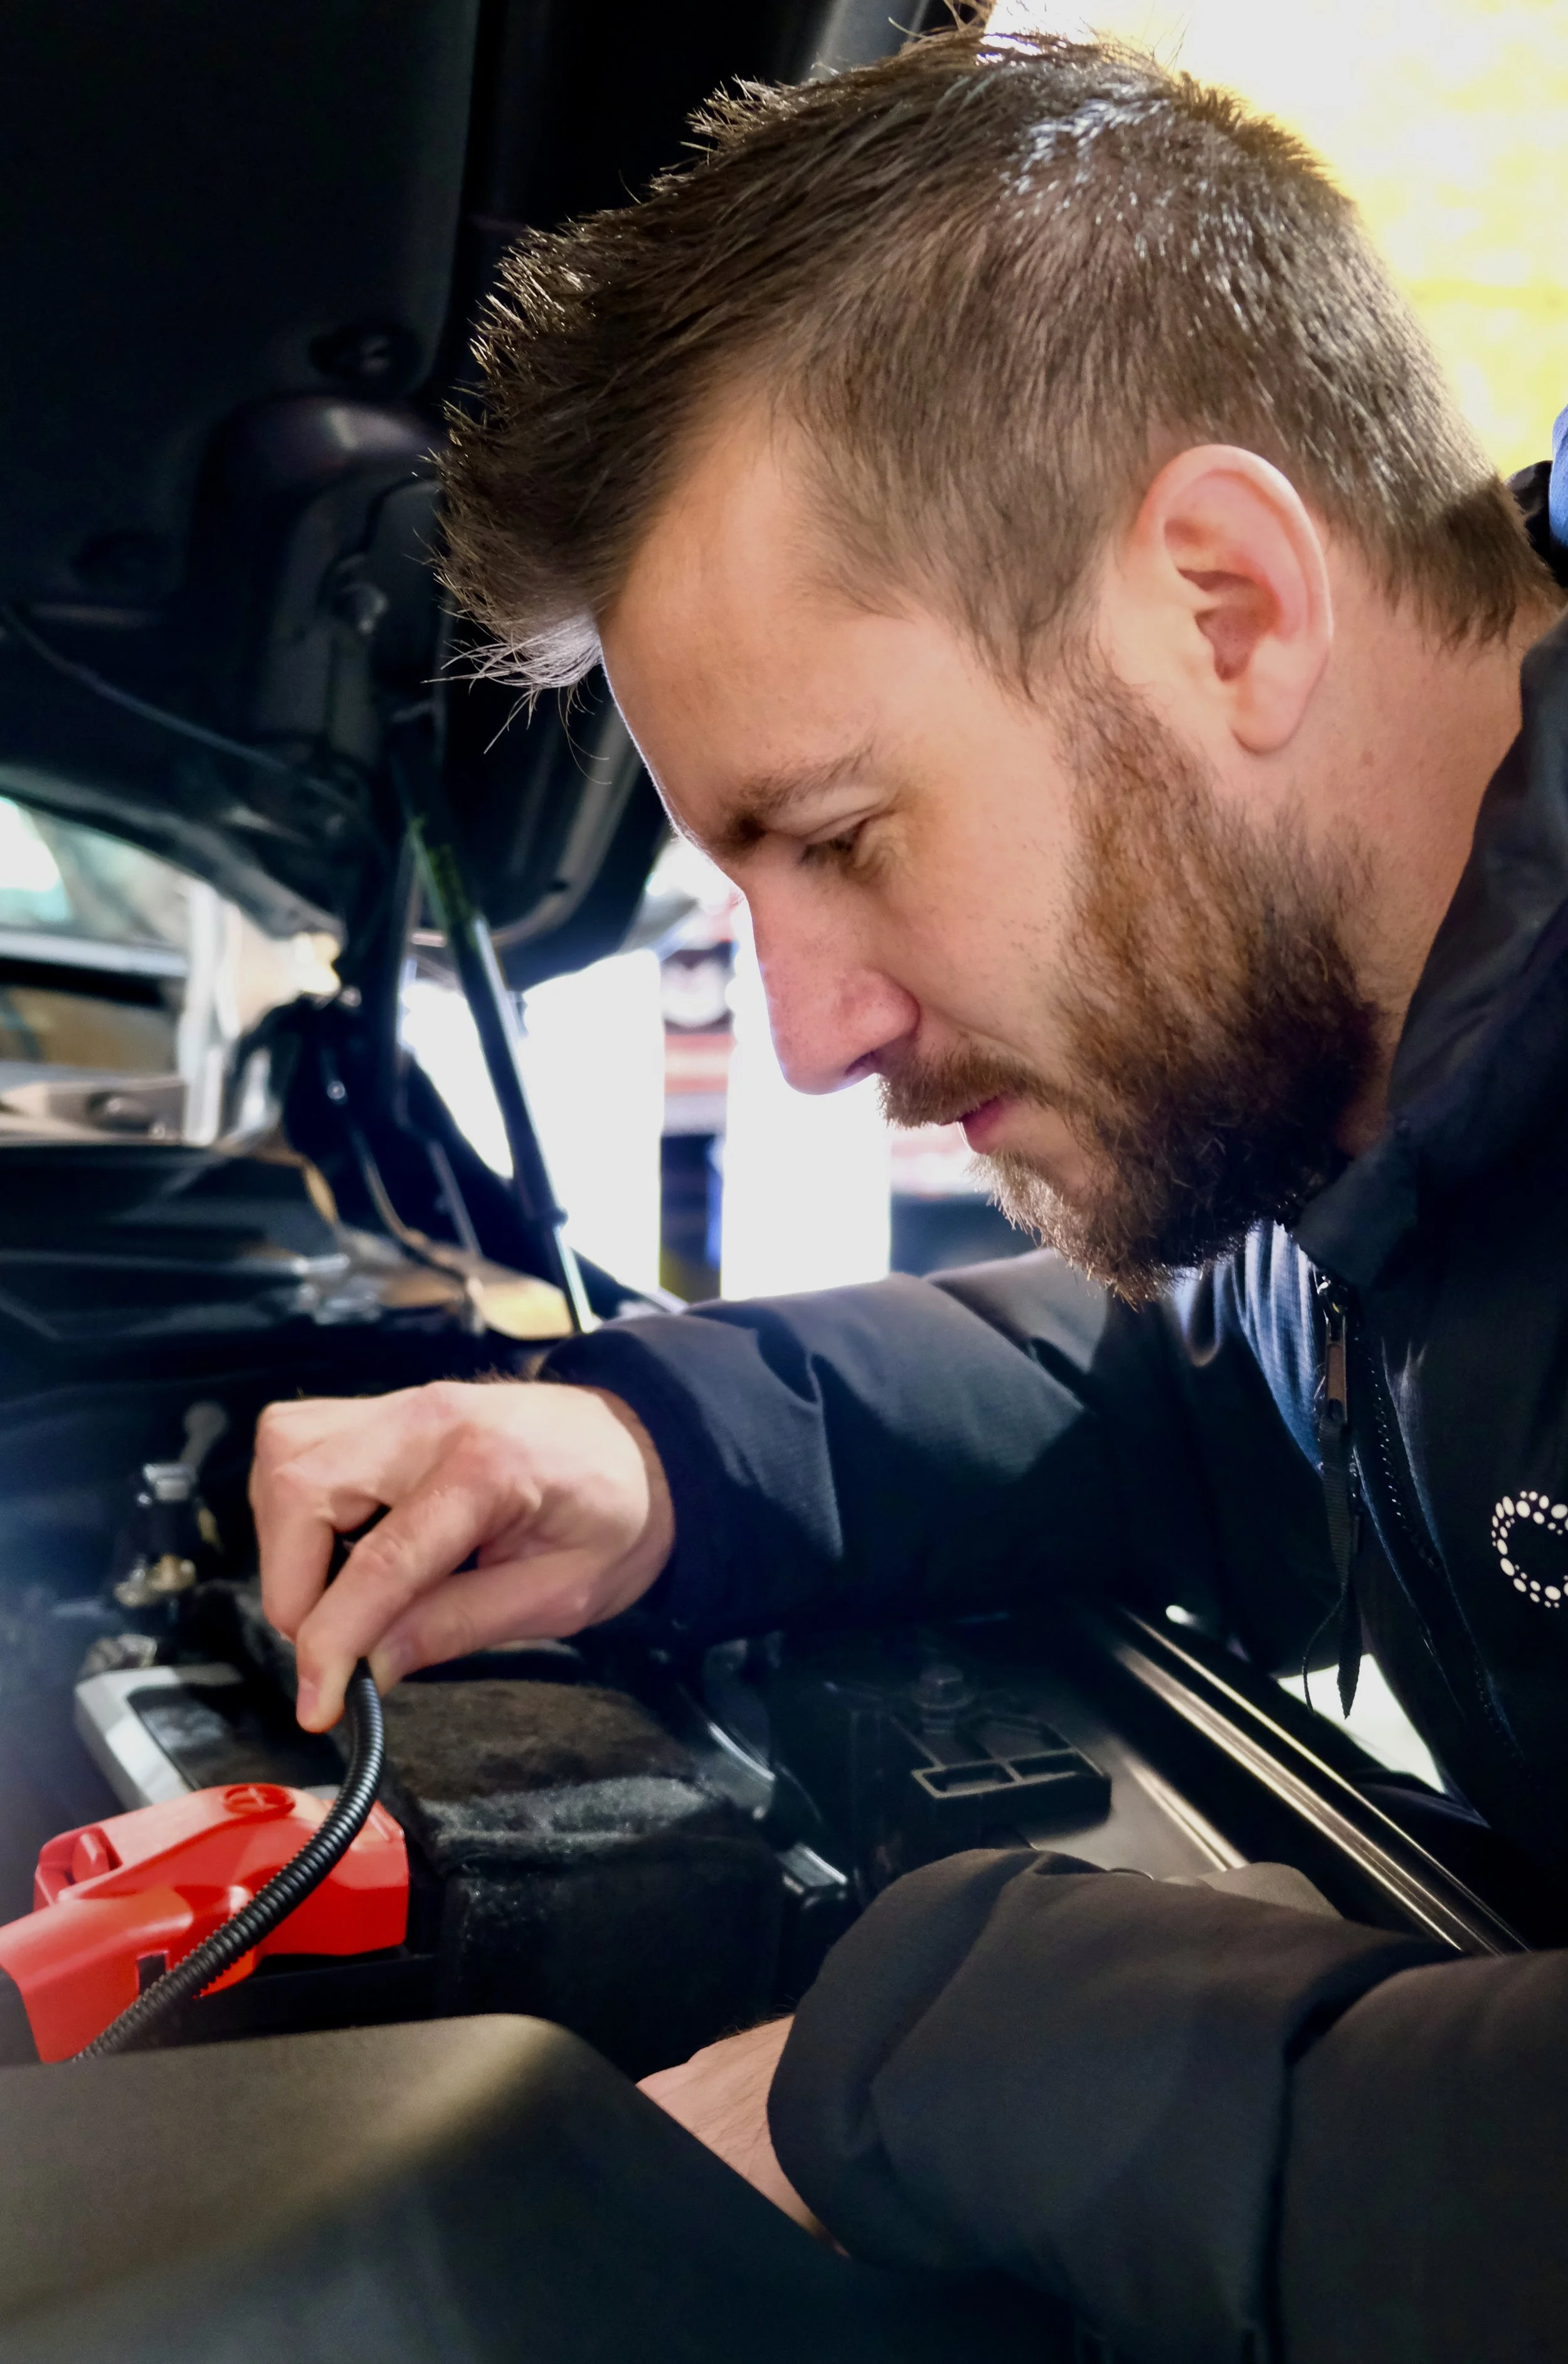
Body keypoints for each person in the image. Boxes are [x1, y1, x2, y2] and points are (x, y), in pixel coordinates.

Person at [250, 28, 1568, 2362]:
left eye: (842, 838)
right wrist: (662, 1452)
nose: (809, 1031)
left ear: (1229, 608)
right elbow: (1221, 1383)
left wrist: (962, 2052)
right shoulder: (1368, 1085)